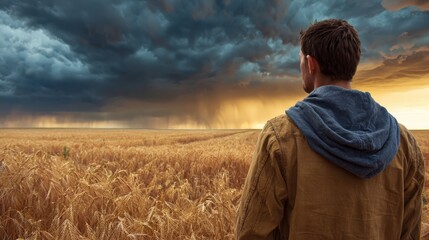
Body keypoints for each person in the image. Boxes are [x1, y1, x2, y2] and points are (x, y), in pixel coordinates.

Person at [235, 19, 425, 240]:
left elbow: (250, 233)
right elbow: (410, 233)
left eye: (300, 61)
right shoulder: (403, 142)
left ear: (310, 64)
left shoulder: (280, 136)